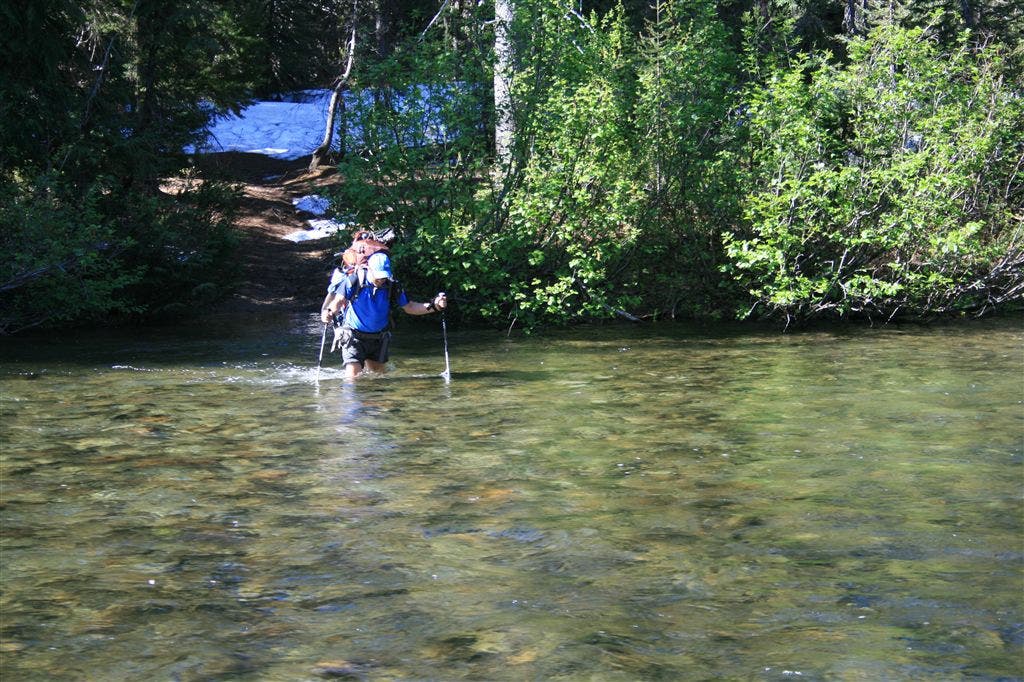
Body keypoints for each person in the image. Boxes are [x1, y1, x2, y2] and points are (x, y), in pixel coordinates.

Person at [320, 252, 447, 378]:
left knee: (378, 379)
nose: (381, 280)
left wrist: (435, 306)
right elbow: (338, 301)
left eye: (384, 276)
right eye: (379, 276)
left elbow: (410, 307)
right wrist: (329, 313)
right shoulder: (353, 281)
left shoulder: (392, 285)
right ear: (369, 269)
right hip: (354, 337)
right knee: (353, 378)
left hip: (379, 339)